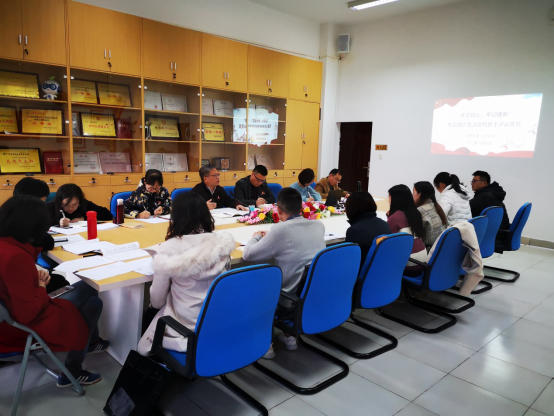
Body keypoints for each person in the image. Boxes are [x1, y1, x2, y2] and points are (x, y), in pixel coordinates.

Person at [0, 196, 109, 388]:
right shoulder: (16, 257)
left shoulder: (6, 244)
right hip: (19, 326)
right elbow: (28, 313)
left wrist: (34, 271)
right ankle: (74, 369)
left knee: (93, 303)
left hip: (11, 314)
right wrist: (41, 287)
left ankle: (80, 359)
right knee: (91, 288)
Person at [137, 192, 236, 356]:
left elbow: (157, 300)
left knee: (149, 319)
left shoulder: (168, 250)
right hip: (217, 318)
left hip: (184, 323)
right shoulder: (220, 243)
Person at [243, 188, 325, 358]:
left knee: (257, 286)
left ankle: (265, 345)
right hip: (312, 294)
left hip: (289, 299)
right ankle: (289, 337)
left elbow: (248, 255)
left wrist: (257, 236)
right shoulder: (319, 225)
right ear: (301, 207)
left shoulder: (280, 230)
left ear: (278, 209)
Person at [14, 177, 68, 293]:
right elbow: (47, 241)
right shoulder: (23, 222)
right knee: (62, 283)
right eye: (41, 202)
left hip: (26, 270)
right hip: (23, 282)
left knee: (60, 280)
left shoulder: (10, 214)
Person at [387, 185, 427, 276]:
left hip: (409, 265)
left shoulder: (395, 218)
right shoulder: (415, 213)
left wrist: (389, 218)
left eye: (389, 197)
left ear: (395, 199)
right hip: (422, 262)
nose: (388, 201)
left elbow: (388, 243)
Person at [345, 192, 391, 268]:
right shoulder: (385, 224)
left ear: (351, 208)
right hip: (384, 270)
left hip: (362, 273)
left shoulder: (354, 231)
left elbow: (348, 260)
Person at [47, 183, 113, 227]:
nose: (70, 208)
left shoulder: (83, 203)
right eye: (66, 205)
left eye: (74, 204)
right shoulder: (50, 207)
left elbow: (107, 215)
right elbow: (42, 224)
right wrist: (59, 222)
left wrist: (84, 218)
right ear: (60, 201)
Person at [413, 181, 447, 248]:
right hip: (440, 247)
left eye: (414, 192)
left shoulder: (419, 211)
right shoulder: (436, 207)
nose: (412, 194)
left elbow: (415, 237)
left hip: (428, 250)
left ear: (420, 194)